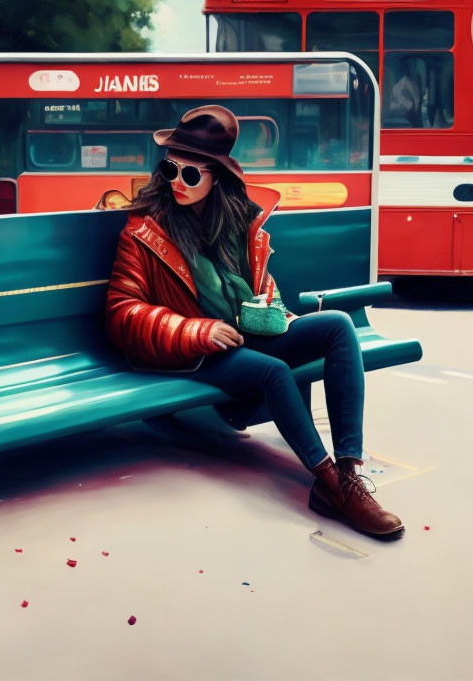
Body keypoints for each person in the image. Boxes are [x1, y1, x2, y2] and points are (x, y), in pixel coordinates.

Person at [104, 105, 404, 540]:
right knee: (274, 371)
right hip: (189, 353)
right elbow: (122, 314)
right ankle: (332, 486)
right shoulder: (143, 232)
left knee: (338, 325)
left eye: (191, 175)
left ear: (217, 178)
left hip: (242, 335)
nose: (176, 183)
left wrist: (272, 308)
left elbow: (264, 285)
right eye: (171, 169)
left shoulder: (240, 224)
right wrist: (199, 331)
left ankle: (349, 468)